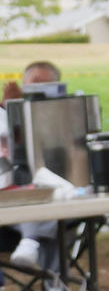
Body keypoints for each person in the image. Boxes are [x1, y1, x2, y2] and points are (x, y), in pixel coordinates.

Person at [4, 61, 67, 271]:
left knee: (52, 204)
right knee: (47, 208)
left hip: (52, 191)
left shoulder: (66, 114)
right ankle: (56, 285)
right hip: (8, 196)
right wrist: (10, 109)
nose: (39, 89)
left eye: (47, 84)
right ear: (24, 84)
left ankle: (30, 242)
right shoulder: (5, 112)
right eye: (35, 82)